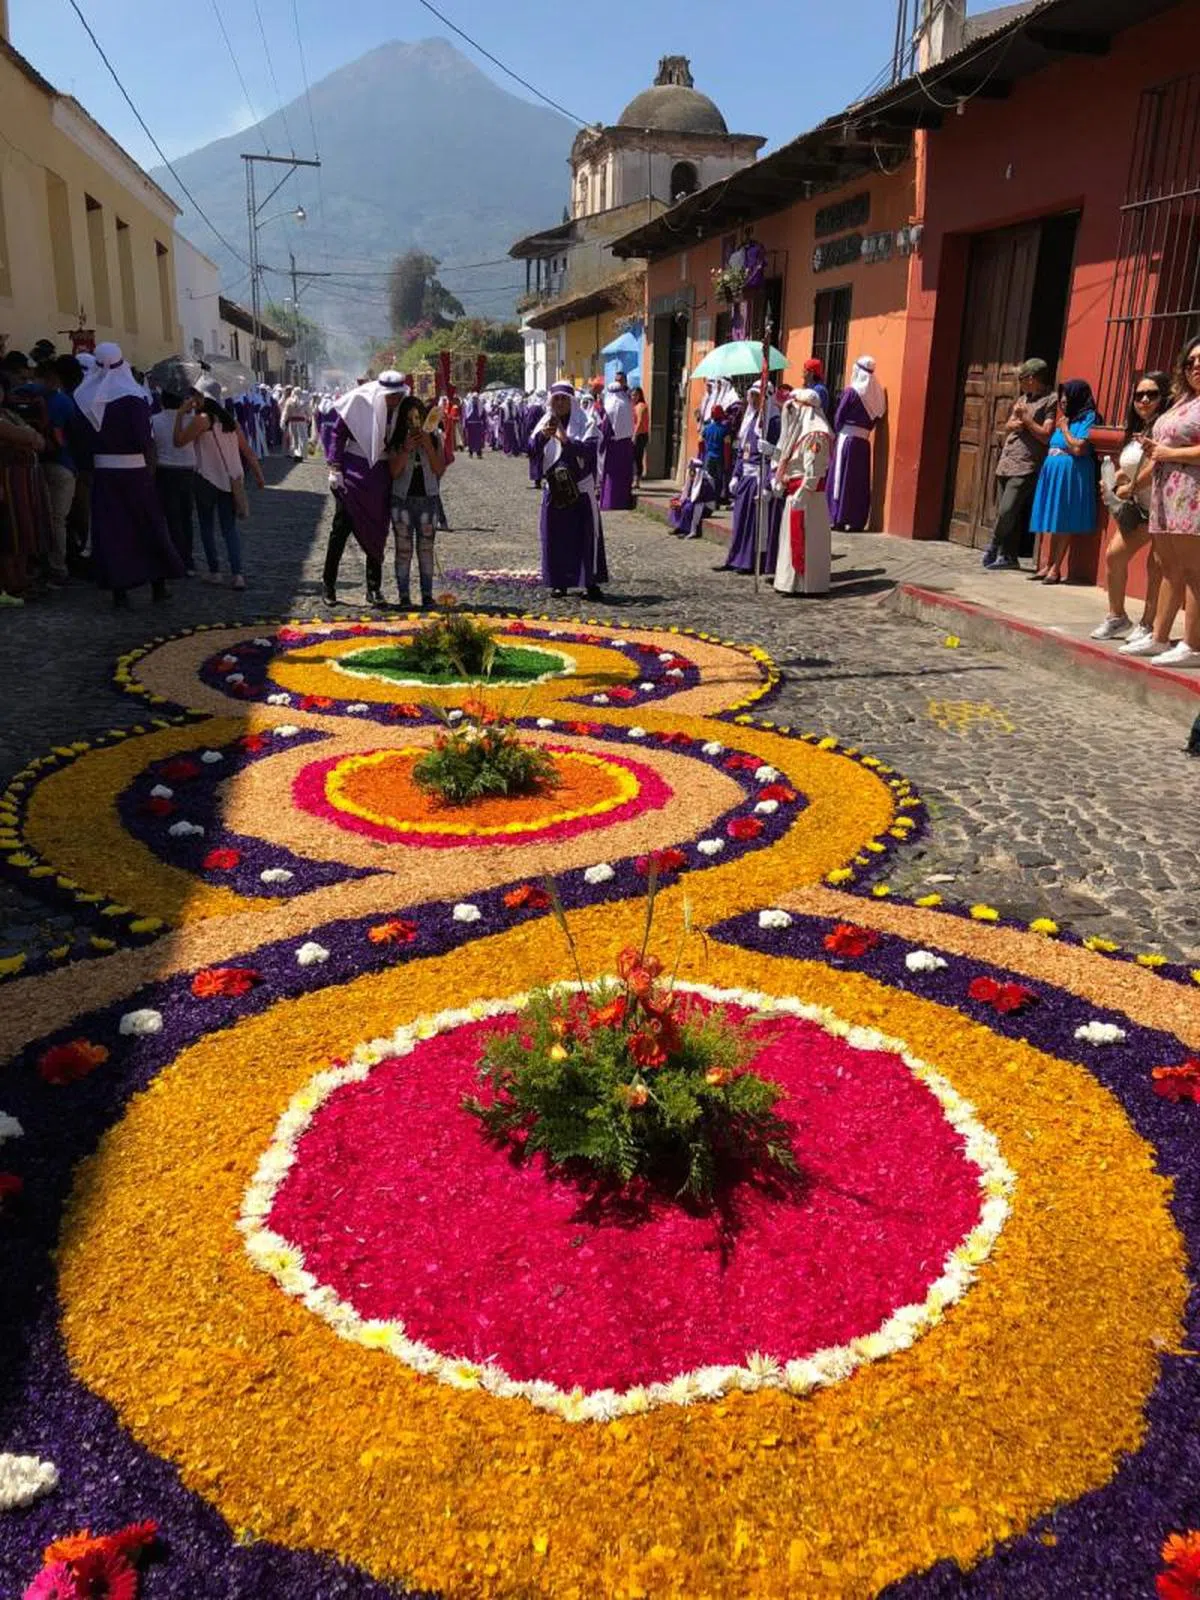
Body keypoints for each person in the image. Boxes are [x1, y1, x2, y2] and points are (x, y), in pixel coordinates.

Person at [76, 342, 182, 608]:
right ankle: (158, 584)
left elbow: (81, 439)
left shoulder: (83, 398)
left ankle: (119, 590)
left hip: (103, 473)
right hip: (135, 472)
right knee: (147, 526)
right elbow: (145, 438)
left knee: (113, 531)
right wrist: (150, 467)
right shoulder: (133, 397)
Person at [1135, 334, 1200, 668]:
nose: (1196, 367)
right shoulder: (1183, 401)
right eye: (1191, 362)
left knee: (1193, 571)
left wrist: (1169, 452)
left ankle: (1192, 644)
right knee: (1169, 567)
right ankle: (1160, 636)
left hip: (1193, 493)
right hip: (1167, 491)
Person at [1090, 371, 1170, 642]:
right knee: (1115, 556)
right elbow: (1133, 468)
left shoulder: (1164, 427)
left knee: (1156, 567)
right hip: (1138, 509)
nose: (1144, 399)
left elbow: (1156, 465)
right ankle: (1117, 617)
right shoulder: (1138, 430)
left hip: (1164, 506)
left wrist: (1129, 487)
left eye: (1152, 394)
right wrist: (1115, 483)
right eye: (1139, 395)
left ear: (1165, 397)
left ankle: (1148, 624)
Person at [324, 370, 406, 606]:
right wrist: (335, 467)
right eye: (390, 396)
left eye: (397, 395)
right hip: (352, 473)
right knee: (340, 530)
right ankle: (328, 585)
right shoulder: (360, 402)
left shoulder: (402, 408)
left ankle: (374, 588)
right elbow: (338, 434)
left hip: (380, 475)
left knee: (378, 530)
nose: (393, 400)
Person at [173, 377, 264, 590]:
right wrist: (259, 476)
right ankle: (238, 574)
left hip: (206, 478)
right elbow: (248, 452)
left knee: (207, 526)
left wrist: (179, 415)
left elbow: (178, 442)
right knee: (229, 529)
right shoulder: (230, 421)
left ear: (202, 397)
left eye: (195, 395)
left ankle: (215, 571)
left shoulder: (202, 420)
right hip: (230, 479)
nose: (193, 399)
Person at [530, 380, 607, 599]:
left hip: (580, 490)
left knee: (584, 536)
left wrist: (566, 440)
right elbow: (532, 451)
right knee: (555, 536)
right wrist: (544, 437)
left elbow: (590, 450)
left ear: (572, 401)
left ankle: (589, 581)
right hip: (555, 490)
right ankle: (558, 582)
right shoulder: (545, 422)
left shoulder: (586, 422)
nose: (561, 403)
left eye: (565, 398)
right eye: (557, 399)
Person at [980, 358, 1057, 571]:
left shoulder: (1050, 400)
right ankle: (1008, 556)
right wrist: (1014, 423)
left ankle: (994, 545)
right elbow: (1009, 424)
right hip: (1008, 459)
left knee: (1008, 509)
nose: (1020, 383)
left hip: (1027, 462)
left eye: (1022, 378)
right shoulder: (1023, 398)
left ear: (1032, 379)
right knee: (1007, 512)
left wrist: (1027, 420)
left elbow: (1045, 436)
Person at [1028, 379, 1100, 583]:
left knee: (1065, 519)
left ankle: (1056, 568)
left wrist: (1066, 430)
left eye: (1068, 397)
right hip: (1054, 472)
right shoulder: (1066, 418)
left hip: (1072, 473)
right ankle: (1048, 564)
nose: (1064, 401)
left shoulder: (1088, 417)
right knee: (1054, 519)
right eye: (1062, 397)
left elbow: (1079, 448)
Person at [715, 383, 782, 574]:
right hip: (745, 478)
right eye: (751, 395)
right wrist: (736, 474)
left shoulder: (773, 422)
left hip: (760, 479)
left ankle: (750, 562)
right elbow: (742, 451)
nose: (752, 400)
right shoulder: (750, 420)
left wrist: (768, 482)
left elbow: (778, 455)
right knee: (739, 521)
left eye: (756, 396)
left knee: (755, 525)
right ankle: (735, 558)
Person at [772, 387, 832, 595]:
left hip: (808, 499)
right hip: (795, 494)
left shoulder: (815, 435)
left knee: (807, 540)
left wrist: (802, 494)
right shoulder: (801, 433)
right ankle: (790, 582)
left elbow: (813, 471)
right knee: (791, 540)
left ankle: (806, 585)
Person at [389, 394, 446, 609]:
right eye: (409, 418)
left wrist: (428, 447)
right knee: (403, 550)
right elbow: (394, 472)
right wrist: (405, 449)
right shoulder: (396, 439)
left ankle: (426, 594)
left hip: (427, 500)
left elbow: (439, 469)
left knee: (426, 549)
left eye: (418, 417)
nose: (414, 423)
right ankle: (404, 595)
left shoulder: (435, 437)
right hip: (402, 501)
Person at [0, 373, 48, 603]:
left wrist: (28, 437)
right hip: (6, 480)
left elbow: (38, 440)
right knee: (10, 533)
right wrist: (27, 437)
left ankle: (22, 578)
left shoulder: (9, 413)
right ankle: (11, 583)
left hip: (22, 481)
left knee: (24, 529)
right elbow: (23, 435)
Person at [827, 355, 885, 532]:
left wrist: (837, 432)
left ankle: (838, 517)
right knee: (857, 482)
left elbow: (839, 416)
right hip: (863, 443)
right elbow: (876, 418)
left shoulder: (851, 392)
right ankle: (855, 519)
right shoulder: (877, 394)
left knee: (841, 480)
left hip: (847, 441)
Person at [151, 390, 197, 574]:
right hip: (186, 470)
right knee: (186, 517)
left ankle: (173, 559)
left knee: (171, 518)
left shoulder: (154, 420)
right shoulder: (190, 419)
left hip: (165, 471)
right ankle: (187, 559)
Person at [600, 372, 636, 510]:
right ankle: (624, 501)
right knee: (624, 474)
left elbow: (606, 429)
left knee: (612, 475)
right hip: (626, 443)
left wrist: (601, 446)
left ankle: (611, 501)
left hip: (614, 445)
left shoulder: (610, 406)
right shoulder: (627, 403)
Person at [667, 456, 716, 539]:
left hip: (705, 508)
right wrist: (679, 499)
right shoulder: (691, 480)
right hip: (695, 503)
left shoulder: (704, 482)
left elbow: (698, 499)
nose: (690, 473)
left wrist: (684, 502)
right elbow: (687, 494)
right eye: (690, 470)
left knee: (687, 508)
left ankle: (689, 530)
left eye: (693, 471)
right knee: (677, 504)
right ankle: (680, 527)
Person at [701, 405, 730, 504]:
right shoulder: (725, 430)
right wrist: (727, 463)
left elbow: (700, 441)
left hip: (708, 457)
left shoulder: (707, 428)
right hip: (719, 458)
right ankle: (716, 502)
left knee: (709, 480)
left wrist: (702, 454)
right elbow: (726, 447)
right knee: (718, 481)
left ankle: (708, 500)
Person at [631, 385, 650, 488]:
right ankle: (635, 479)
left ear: (640, 395)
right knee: (634, 458)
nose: (633, 397)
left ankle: (636, 480)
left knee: (637, 458)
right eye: (632, 395)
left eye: (635, 395)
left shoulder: (641, 406)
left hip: (640, 435)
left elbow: (639, 422)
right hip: (637, 434)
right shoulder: (634, 406)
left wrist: (634, 435)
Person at [462, 390, 487, 458]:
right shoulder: (468, 406)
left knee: (479, 440)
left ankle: (479, 454)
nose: (475, 399)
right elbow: (465, 416)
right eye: (474, 398)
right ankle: (471, 453)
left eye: (476, 398)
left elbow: (483, 417)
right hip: (470, 425)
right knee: (470, 439)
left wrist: (484, 426)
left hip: (478, 425)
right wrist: (465, 425)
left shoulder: (481, 406)